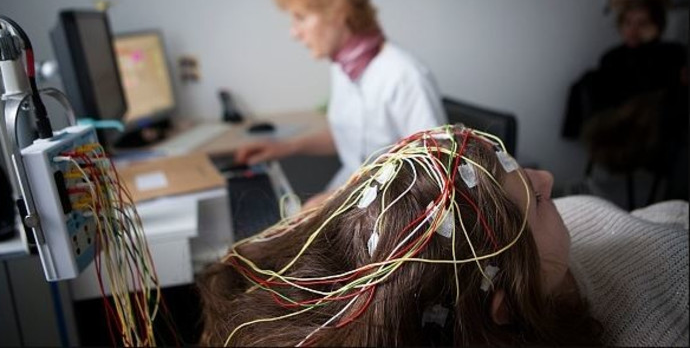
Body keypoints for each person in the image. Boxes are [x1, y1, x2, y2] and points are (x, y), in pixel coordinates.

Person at [196, 124, 689, 346]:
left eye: (527, 177)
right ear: (507, 304)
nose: (548, 180)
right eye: (537, 201)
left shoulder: (543, 249)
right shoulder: (668, 305)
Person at [234, 0, 447, 204]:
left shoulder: (404, 76)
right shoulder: (343, 67)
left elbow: (436, 172)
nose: (294, 32)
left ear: (337, 12)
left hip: (393, 211)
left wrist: (335, 199)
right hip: (349, 195)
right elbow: (349, 136)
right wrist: (287, 148)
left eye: (300, 18)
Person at [562, 0, 688, 199]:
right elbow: (620, 94)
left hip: (658, 131)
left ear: (656, 26)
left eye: (642, 24)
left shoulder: (670, 54)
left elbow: (658, 87)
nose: (633, 30)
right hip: (621, 125)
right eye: (628, 23)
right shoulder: (613, 57)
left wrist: (650, 45)